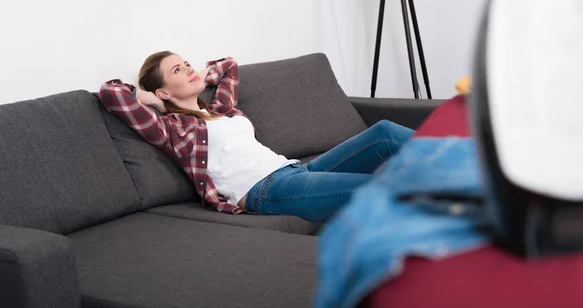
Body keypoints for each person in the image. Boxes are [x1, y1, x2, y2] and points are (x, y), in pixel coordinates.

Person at [99, 51, 415, 223]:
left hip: (297, 171)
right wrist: (154, 100)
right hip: (265, 190)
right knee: (381, 190)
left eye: (186, 63)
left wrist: (203, 77)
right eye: (177, 71)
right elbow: (111, 93)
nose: (189, 69)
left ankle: (462, 158)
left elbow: (229, 66)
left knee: (384, 133)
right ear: (164, 89)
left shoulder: (220, 108)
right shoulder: (173, 129)